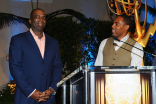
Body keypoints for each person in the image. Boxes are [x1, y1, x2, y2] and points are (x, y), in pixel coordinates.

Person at [9, 8, 62, 104]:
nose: (41, 19)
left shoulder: (54, 43)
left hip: (48, 98)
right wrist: (31, 91)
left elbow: (57, 67)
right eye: (37, 17)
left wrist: (52, 89)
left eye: (43, 18)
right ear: (30, 21)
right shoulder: (18, 40)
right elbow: (15, 66)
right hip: (26, 97)